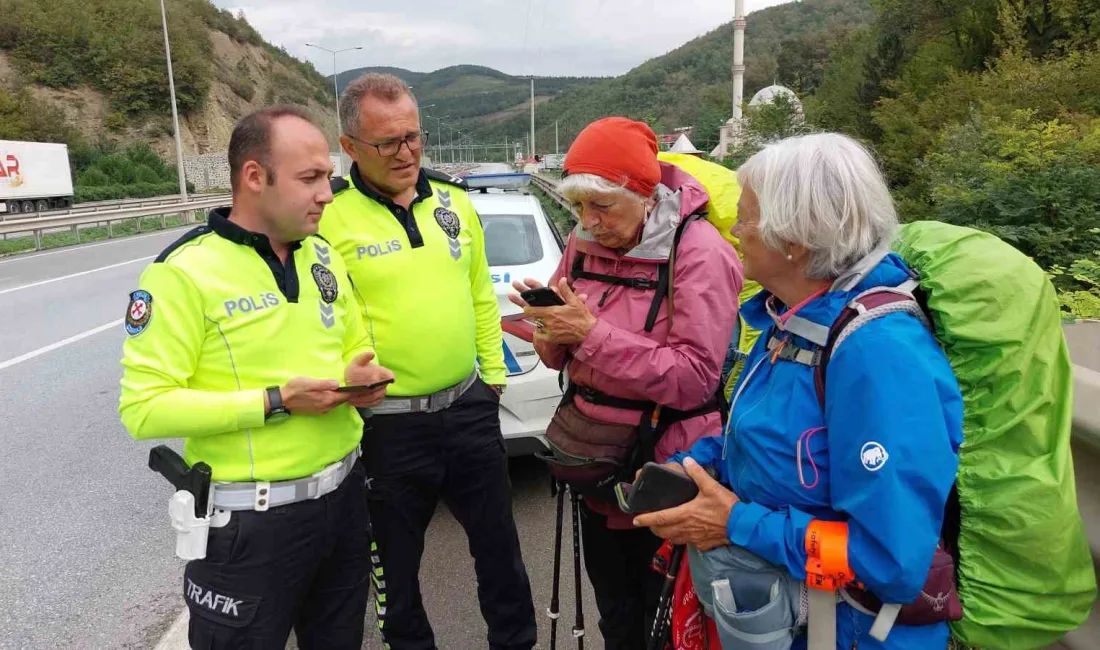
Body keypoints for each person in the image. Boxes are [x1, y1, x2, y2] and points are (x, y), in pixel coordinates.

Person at [635, 133, 963, 650]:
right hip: (796, 621)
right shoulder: (790, 320)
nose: (735, 230)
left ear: (795, 241)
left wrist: (737, 523)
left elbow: (890, 561)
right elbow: (758, 436)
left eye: (745, 218)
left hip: (851, 633)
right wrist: (694, 467)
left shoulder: (878, 354)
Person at [118, 106, 395, 649]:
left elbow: (354, 342)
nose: (328, 194)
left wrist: (359, 375)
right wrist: (274, 402)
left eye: (328, 177)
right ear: (253, 177)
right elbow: (143, 409)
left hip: (342, 503)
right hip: (249, 526)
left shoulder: (323, 256)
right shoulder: (182, 273)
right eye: (310, 178)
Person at [317, 73, 536, 650]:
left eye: (415, 137)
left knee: (499, 550)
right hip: (386, 425)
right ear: (350, 147)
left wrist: (492, 380)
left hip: (468, 407)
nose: (407, 153)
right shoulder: (327, 218)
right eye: (388, 142)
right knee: (395, 566)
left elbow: (479, 297)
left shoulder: (455, 202)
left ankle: (515, 642)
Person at [510, 116, 743, 649]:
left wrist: (588, 334)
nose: (589, 223)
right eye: (579, 208)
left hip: (667, 468)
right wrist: (548, 325)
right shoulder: (583, 241)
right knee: (616, 614)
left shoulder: (700, 251)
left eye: (603, 207)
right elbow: (555, 355)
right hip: (594, 464)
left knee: (666, 618)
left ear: (644, 193)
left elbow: (694, 378)